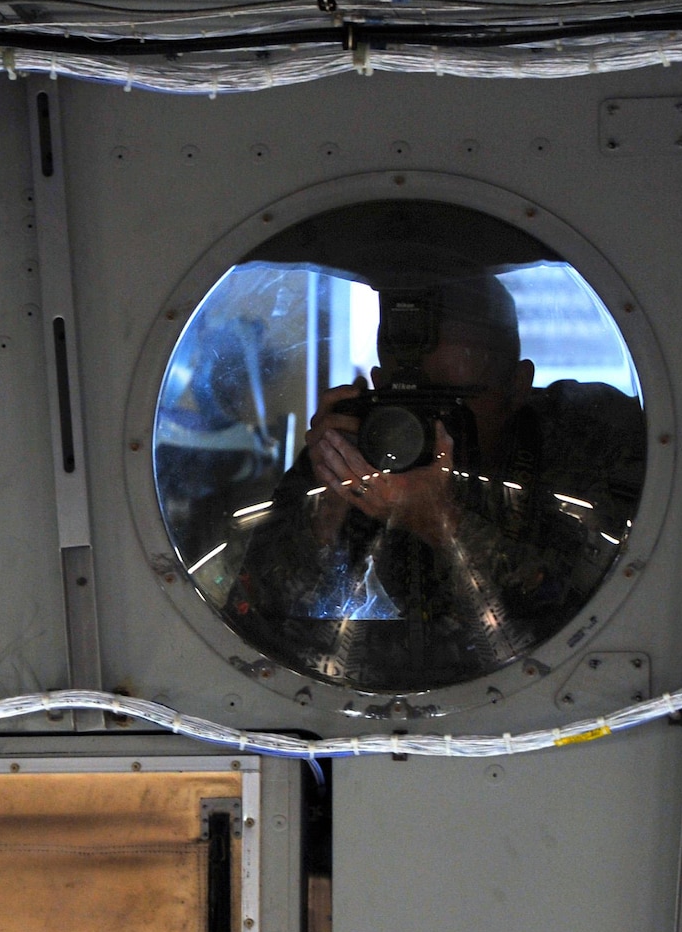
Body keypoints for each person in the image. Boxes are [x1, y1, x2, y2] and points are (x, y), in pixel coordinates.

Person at [226, 273, 646, 692]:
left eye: (454, 400)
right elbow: (254, 620)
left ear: (517, 387)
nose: (429, 423)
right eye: (406, 400)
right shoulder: (366, 440)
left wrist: (444, 524)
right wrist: (330, 504)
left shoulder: (581, 440)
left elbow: (588, 623)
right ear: (378, 383)